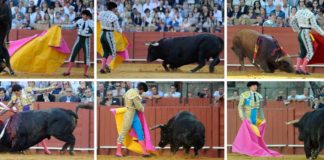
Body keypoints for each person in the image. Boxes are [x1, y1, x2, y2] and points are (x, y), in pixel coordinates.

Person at [232, 81, 280, 157]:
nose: (255, 87)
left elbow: (260, 108)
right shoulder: (244, 95)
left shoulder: (259, 95)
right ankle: (248, 149)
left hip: (256, 117)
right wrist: (242, 117)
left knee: (255, 134)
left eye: (256, 85)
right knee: (249, 134)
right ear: (250, 87)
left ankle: (253, 149)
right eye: (254, 85)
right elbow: (240, 107)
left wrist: (263, 118)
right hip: (248, 116)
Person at [6, 84, 51, 154]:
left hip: (32, 117)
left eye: (16, 93)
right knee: (19, 133)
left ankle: (45, 149)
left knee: (39, 132)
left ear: (20, 90)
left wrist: (52, 87)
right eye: (14, 93)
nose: (16, 94)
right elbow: (7, 107)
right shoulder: (14, 97)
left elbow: (40, 90)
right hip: (22, 118)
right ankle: (21, 149)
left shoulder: (28, 90)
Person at [116, 82, 151, 157]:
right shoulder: (135, 95)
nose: (142, 92)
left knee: (140, 132)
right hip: (130, 114)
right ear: (141, 89)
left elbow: (123, 97)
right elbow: (139, 107)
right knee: (123, 133)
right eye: (143, 91)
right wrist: (142, 108)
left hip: (132, 114)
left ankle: (144, 152)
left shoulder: (130, 91)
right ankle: (118, 152)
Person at [290, 1, 324, 75]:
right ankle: (302, 69)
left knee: (303, 52)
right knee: (310, 52)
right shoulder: (310, 14)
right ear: (311, 8)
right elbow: (315, 26)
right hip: (306, 33)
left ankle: (297, 68)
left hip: (300, 33)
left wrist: (297, 30)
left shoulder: (299, 12)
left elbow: (292, 22)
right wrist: (323, 33)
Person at [63, 10, 94, 77]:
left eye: (84, 15)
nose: (83, 16)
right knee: (73, 54)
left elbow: (95, 31)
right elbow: (72, 27)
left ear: (88, 16)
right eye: (82, 15)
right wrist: (61, 26)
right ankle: (68, 71)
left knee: (87, 57)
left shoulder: (92, 23)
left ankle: (85, 73)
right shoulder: (79, 21)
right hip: (79, 39)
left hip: (86, 40)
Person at [99, 2, 122, 73]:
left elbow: (97, 19)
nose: (116, 9)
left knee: (105, 52)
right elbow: (117, 28)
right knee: (113, 53)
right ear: (113, 8)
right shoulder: (114, 16)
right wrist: (121, 31)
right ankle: (106, 65)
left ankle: (102, 68)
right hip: (109, 34)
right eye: (115, 8)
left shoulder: (101, 13)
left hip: (102, 34)